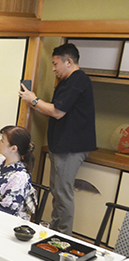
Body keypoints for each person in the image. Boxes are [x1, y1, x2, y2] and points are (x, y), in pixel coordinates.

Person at [19, 43, 97, 235]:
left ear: (68, 61)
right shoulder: (66, 81)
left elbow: (58, 111)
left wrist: (34, 100)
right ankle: (55, 232)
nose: (53, 69)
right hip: (60, 145)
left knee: (63, 193)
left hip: (71, 147)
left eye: (55, 64)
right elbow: (53, 110)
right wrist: (33, 103)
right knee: (56, 190)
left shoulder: (79, 80)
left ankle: (64, 237)